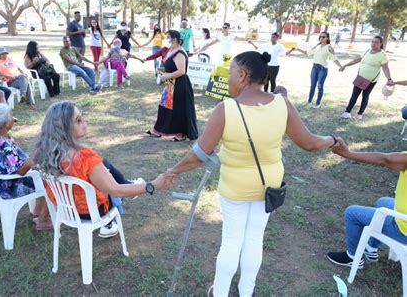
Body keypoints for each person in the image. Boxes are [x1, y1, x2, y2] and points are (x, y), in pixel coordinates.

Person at [163, 51, 339, 296]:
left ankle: (221, 291)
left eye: (231, 72)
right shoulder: (282, 103)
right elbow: (309, 142)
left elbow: (199, 154)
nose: (228, 78)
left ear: (243, 75)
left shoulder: (225, 109)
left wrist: (174, 170)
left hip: (235, 187)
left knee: (232, 241)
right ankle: (247, 291)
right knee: (255, 239)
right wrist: (332, 139)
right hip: (269, 186)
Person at [34, 101, 174, 237]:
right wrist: (154, 185)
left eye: (82, 115)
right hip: (91, 211)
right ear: (64, 129)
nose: (84, 120)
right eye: (78, 120)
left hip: (65, 209)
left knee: (104, 166)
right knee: (106, 175)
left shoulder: (43, 151)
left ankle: (128, 186)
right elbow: (116, 190)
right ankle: (110, 220)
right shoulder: (85, 156)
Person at [326, 139, 407, 269]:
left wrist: (347, 153)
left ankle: (353, 257)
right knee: (383, 202)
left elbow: (384, 159)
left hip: (403, 228)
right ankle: (371, 247)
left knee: (352, 213)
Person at [0, 103, 52, 230]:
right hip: (9, 185)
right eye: (11, 116)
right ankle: (43, 220)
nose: (13, 118)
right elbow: (21, 171)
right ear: (7, 123)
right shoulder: (2, 145)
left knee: (42, 172)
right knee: (51, 178)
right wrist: (37, 154)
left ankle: (37, 211)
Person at [146, 30, 198, 142]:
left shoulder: (179, 52)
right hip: (171, 84)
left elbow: (181, 71)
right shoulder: (171, 50)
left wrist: (166, 75)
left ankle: (181, 134)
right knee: (163, 106)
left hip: (180, 85)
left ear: (174, 39)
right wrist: (163, 70)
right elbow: (172, 67)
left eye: (167, 37)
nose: (166, 39)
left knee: (179, 109)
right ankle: (158, 129)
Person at [339, 36, 394, 120]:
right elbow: (357, 60)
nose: (373, 44)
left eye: (376, 42)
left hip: (371, 80)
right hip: (360, 78)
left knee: (365, 96)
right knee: (354, 95)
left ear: (380, 44)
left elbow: (385, 67)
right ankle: (347, 112)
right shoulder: (367, 51)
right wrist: (345, 65)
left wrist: (389, 78)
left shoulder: (382, 55)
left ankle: (360, 114)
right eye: (372, 42)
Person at [287, 32, 342, 107]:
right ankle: (309, 102)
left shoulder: (329, 47)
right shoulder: (317, 46)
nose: (321, 38)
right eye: (320, 36)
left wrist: (340, 66)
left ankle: (318, 103)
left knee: (320, 86)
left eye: (323, 37)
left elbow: (334, 58)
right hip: (314, 68)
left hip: (323, 69)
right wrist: (297, 49)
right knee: (312, 85)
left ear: (327, 38)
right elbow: (307, 53)